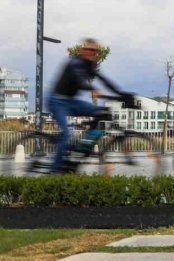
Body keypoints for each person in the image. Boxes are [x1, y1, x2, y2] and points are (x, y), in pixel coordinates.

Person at [47, 38, 126, 172]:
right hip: (57, 100)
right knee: (66, 134)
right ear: (82, 50)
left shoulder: (91, 66)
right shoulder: (75, 62)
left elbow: (106, 81)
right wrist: (93, 90)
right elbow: (79, 80)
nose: (91, 52)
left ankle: (82, 149)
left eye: (94, 50)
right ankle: (54, 170)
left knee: (99, 111)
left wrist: (122, 94)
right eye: (88, 49)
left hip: (71, 102)